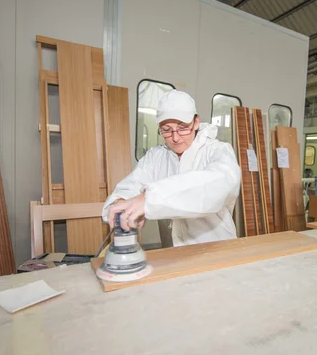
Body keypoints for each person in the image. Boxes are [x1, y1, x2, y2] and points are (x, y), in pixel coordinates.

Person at [101, 90, 241, 246]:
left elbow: (220, 184)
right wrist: (122, 203)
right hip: (172, 252)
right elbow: (131, 186)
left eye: (183, 127)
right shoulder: (156, 157)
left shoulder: (217, 150)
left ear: (196, 122)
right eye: (166, 129)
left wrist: (150, 199)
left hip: (216, 249)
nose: (175, 137)